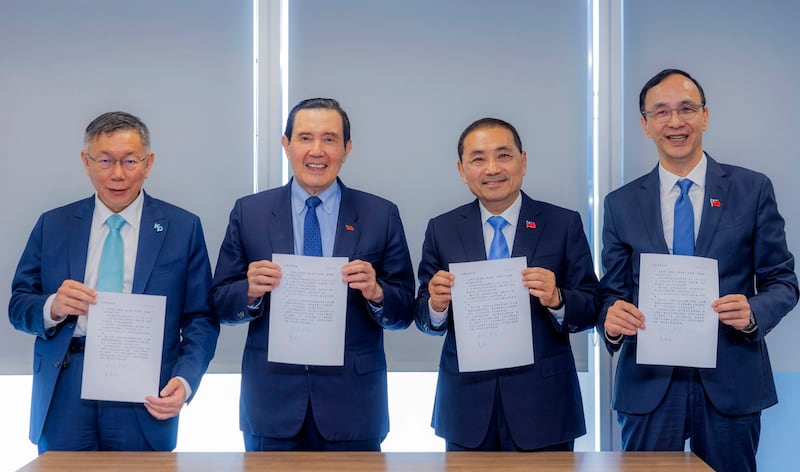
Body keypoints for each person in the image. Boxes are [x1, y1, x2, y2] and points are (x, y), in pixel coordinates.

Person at [599, 69, 799, 471]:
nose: (675, 122)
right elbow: (612, 291)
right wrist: (610, 318)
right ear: (645, 124)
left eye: (687, 109)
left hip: (731, 380)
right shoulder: (621, 204)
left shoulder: (752, 189)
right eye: (661, 112)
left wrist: (753, 313)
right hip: (649, 384)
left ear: (705, 116)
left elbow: (782, 280)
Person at [209, 98, 415, 451]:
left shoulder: (380, 214)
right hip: (271, 405)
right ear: (286, 144)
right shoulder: (251, 212)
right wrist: (249, 292)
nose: (317, 151)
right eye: (305, 138)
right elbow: (219, 305)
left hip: (354, 407)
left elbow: (405, 311)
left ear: (346, 149)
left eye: (330, 139)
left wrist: (377, 293)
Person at [9, 111, 220, 453]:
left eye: (130, 161)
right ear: (86, 161)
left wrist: (184, 380)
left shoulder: (183, 228)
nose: (118, 174)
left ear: (148, 163)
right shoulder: (54, 225)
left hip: (146, 386)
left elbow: (201, 318)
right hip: (66, 382)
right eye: (105, 161)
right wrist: (52, 306)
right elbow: (18, 306)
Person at [415, 117, 599, 451]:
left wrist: (557, 298)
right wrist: (435, 304)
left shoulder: (562, 223)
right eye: (478, 158)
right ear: (462, 169)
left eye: (503, 155)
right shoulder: (442, 229)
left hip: (545, 408)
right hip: (466, 409)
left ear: (523, 161)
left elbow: (591, 306)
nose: (492, 168)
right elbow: (424, 318)